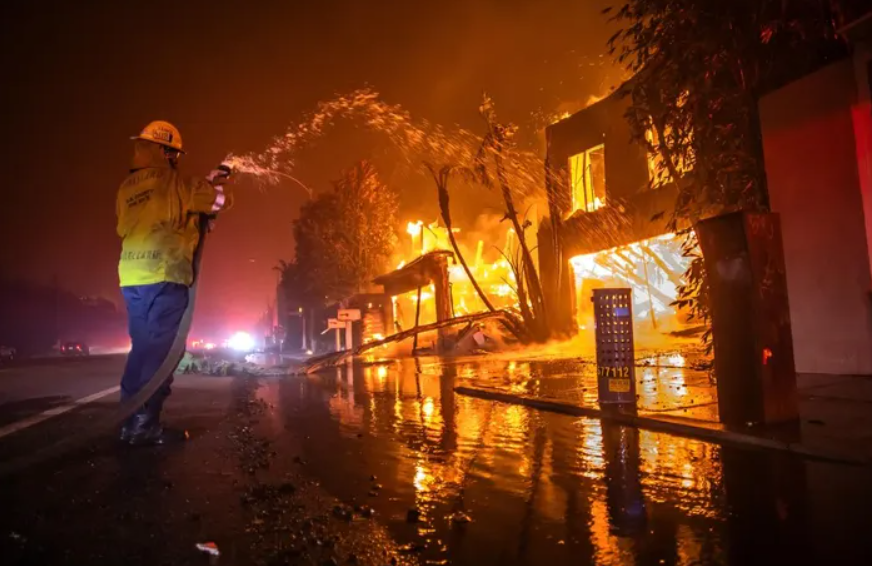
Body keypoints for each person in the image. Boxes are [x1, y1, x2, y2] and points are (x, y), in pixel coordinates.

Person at [116, 120, 230, 445]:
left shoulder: (127, 188)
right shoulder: (176, 182)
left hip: (131, 277)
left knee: (141, 350)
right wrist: (217, 183)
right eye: (175, 154)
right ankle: (143, 425)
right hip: (165, 275)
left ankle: (129, 420)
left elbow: (155, 218)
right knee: (164, 353)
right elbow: (220, 201)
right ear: (167, 152)